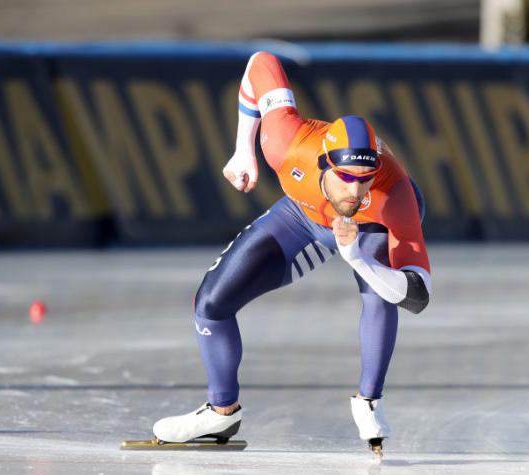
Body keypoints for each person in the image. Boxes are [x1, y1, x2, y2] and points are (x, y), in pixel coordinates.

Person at [152, 51, 431, 452]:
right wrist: (243, 148)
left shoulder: (392, 195)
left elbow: (418, 296)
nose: (355, 191)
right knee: (211, 303)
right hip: (301, 216)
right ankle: (221, 412)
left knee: (377, 287)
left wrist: (357, 258)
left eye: (365, 178)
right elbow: (259, 65)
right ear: (324, 164)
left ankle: (370, 400)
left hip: (372, 225)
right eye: (347, 178)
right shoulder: (285, 142)